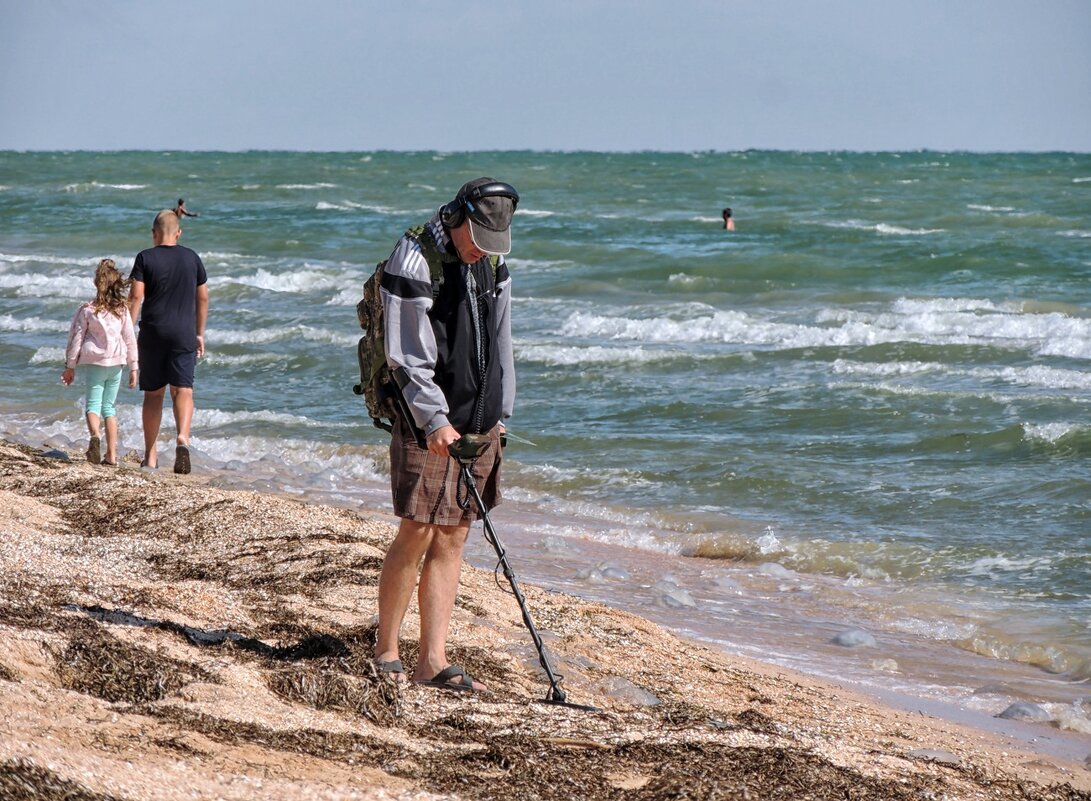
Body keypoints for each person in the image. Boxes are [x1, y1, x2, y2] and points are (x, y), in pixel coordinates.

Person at [373, 177, 518, 691]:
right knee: (417, 528)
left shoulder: (493, 264)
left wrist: (501, 411)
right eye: (477, 239)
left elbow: (502, 340)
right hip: (425, 420)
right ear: (458, 219)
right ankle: (386, 649)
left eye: (492, 244)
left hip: (480, 420)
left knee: (454, 534)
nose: (482, 252)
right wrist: (434, 419)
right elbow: (406, 355)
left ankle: (431, 660)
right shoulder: (414, 259)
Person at [127, 210, 209, 474]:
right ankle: (182, 437)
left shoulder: (145, 257)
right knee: (183, 389)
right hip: (183, 333)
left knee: (153, 394)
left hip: (153, 333)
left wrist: (127, 330)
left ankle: (150, 456)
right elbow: (203, 298)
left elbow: (136, 297)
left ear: (154, 233)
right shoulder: (192, 257)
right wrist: (199, 333)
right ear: (179, 233)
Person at [61, 259, 139, 466]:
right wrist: (134, 367)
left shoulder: (87, 310)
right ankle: (112, 455)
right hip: (117, 364)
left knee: (93, 405)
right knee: (109, 408)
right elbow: (130, 339)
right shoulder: (122, 310)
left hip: (95, 362)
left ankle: (95, 436)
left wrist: (70, 366)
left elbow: (76, 338)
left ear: (97, 284)